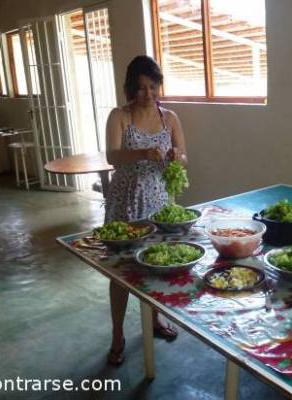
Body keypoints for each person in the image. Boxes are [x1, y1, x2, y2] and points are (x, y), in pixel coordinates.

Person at [104, 55, 188, 366]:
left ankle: (155, 320)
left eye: (152, 87)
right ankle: (117, 335)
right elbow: (113, 156)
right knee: (121, 272)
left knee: (157, 266)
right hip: (127, 203)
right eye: (140, 88)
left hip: (161, 204)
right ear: (130, 89)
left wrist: (176, 156)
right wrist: (143, 152)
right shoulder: (119, 116)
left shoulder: (170, 118)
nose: (147, 94)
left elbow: (184, 158)